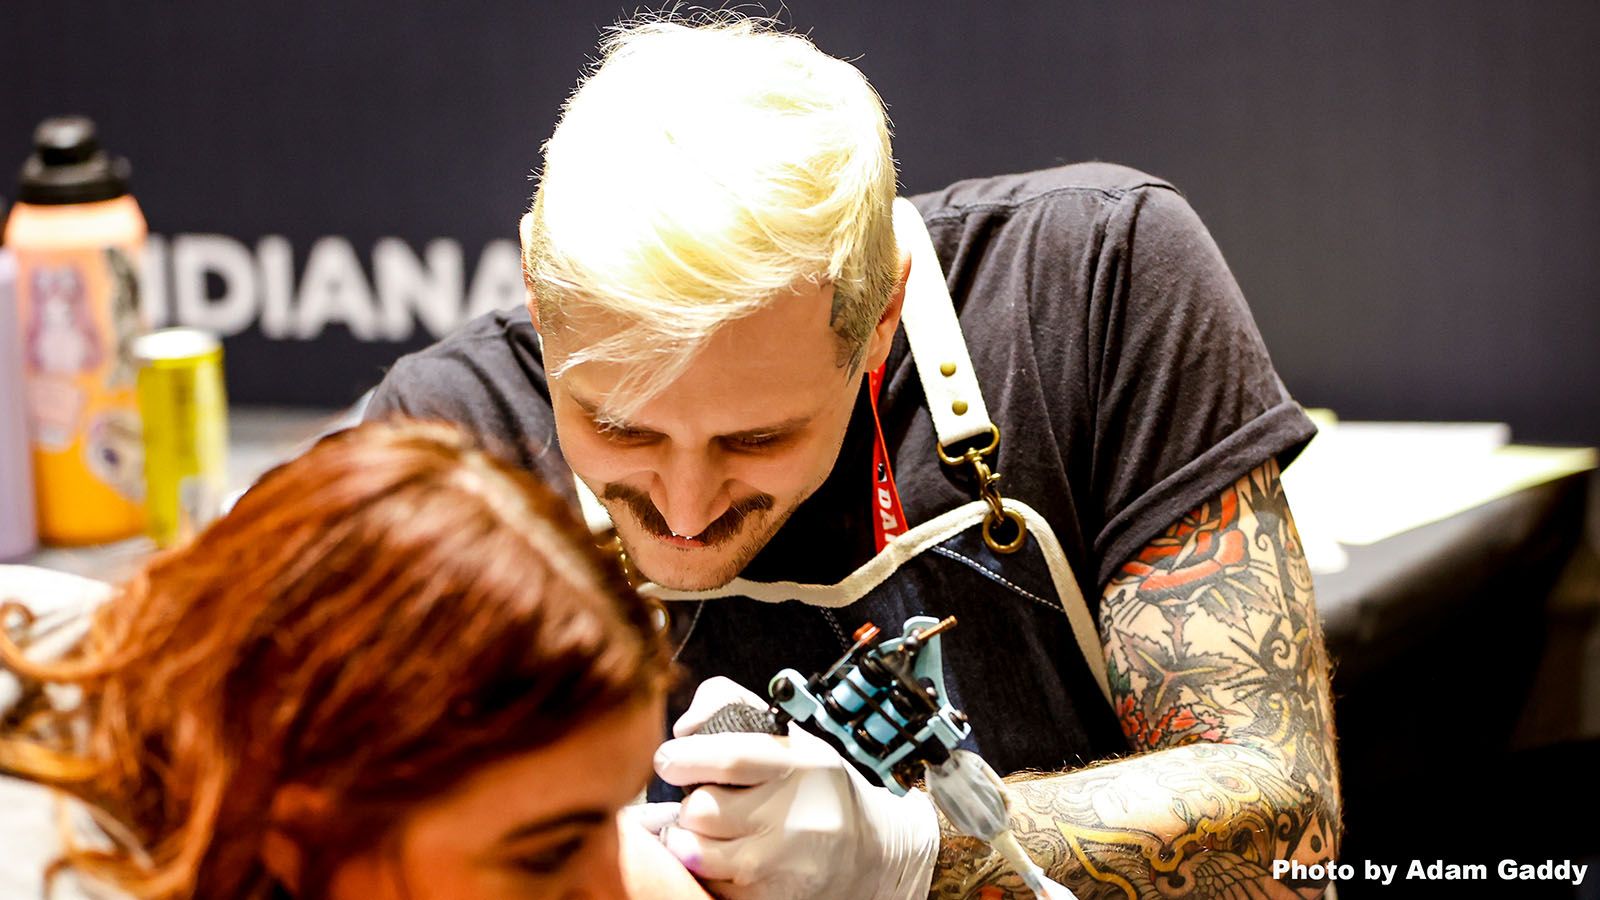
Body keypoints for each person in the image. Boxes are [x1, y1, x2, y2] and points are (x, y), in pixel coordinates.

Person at [367, 14, 1342, 900]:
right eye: (620, 430)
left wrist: (913, 850)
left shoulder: (1091, 287)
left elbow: (1288, 832)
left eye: (757, 438)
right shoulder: (441, 444)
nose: (685, 505)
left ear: (880, 321)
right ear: (540, 304)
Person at [0, 421, 710, 900]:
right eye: (547, 855)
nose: (612, 893)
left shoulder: (221, 694)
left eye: (611, 814)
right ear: (303, 824)